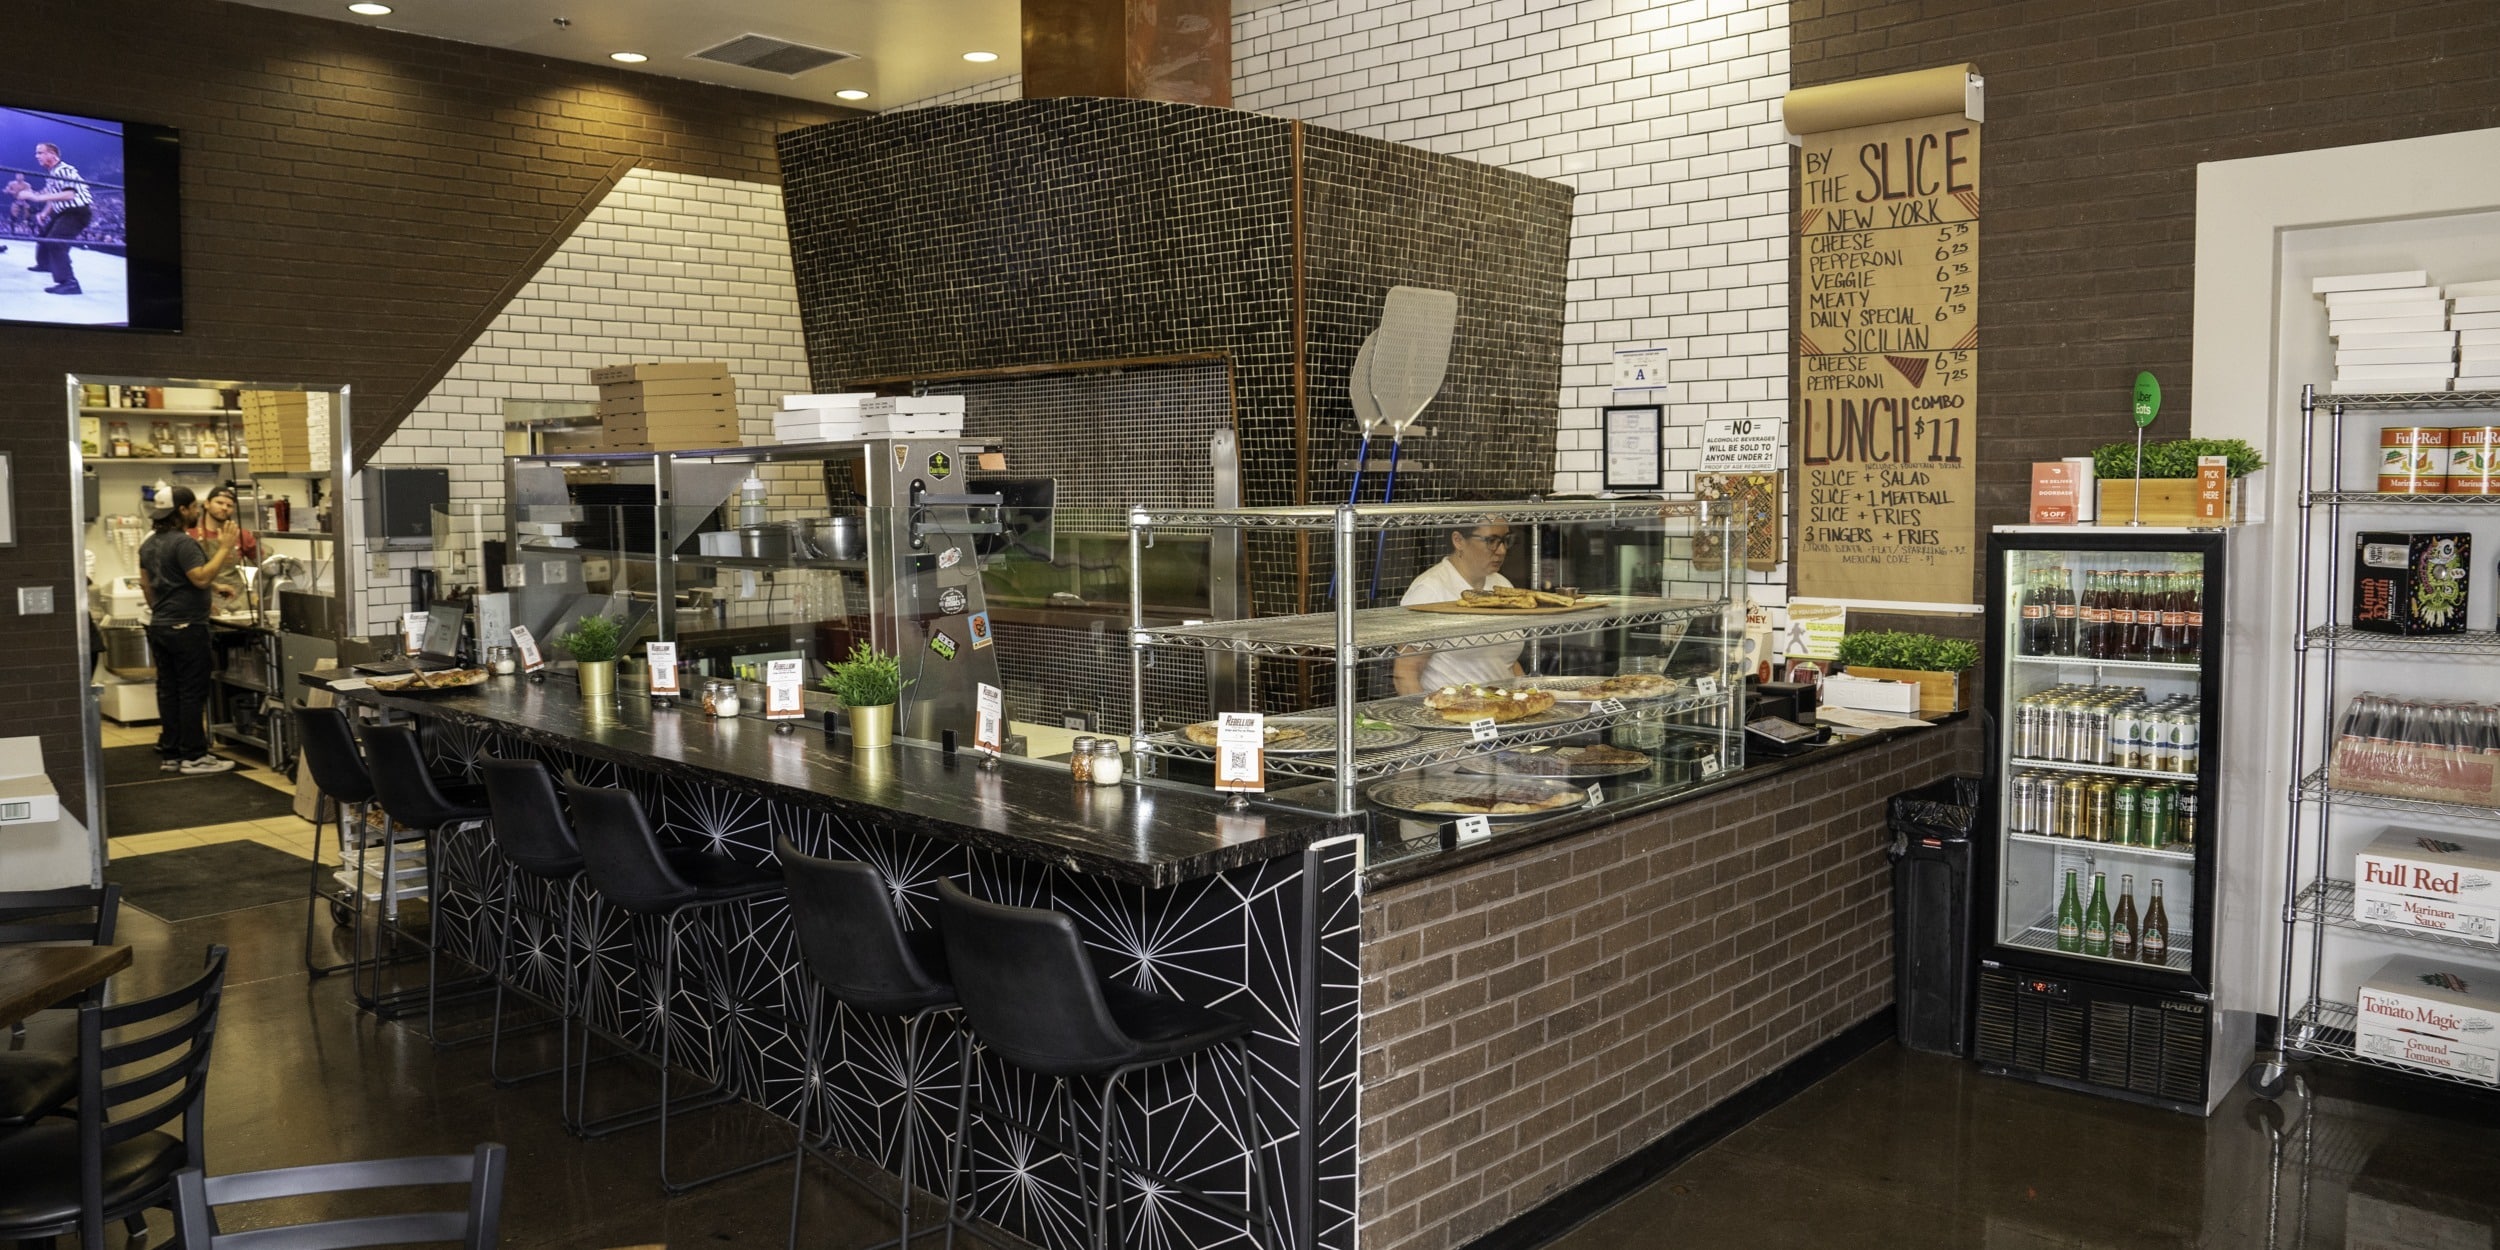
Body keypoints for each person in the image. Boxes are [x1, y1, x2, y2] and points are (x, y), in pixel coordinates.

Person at [138, 487, 239, 774]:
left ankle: (172, 753)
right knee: (191, 692)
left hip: (160, 626)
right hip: (187, 628)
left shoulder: (149, 543)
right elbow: (200, 577)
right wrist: (224, 547)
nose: (196, 511)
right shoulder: (184, 543)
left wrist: (210, 589)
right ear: (182, 510)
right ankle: (195, 756)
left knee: (168, 690)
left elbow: (148, 584)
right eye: (194, 506)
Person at [1392, 520, 1526, 694]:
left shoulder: (1502, 585)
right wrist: (1428, 712)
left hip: (1503, 705)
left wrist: (1526, 695)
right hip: (1453, 708)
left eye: (1505, 540)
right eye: (1491, 541)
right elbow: (1405, 674)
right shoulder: (1430, 590)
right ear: (1459, 540)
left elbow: (1505, 660)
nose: (1501, 550)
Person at [16, 142, 95, 296]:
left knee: (56, 242)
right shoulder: (53, 174)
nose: (36, 156)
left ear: (52, 154)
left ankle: (70, 283)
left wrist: (36, 198)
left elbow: (69, 194)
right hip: (64, 212)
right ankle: (45, 264)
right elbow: (54, 197)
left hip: (76, 212)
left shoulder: (64, 169)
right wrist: (44, 213)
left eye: (40, 152)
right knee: (44, 236)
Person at [188, 487, 258, 613]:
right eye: (219, 503)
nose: (224, 508)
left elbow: (265, 565)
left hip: (237, 605)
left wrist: (255, 591)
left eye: (229, 505)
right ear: (207, 504)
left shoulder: (241, 535)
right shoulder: (189, 535)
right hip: (203, 602)